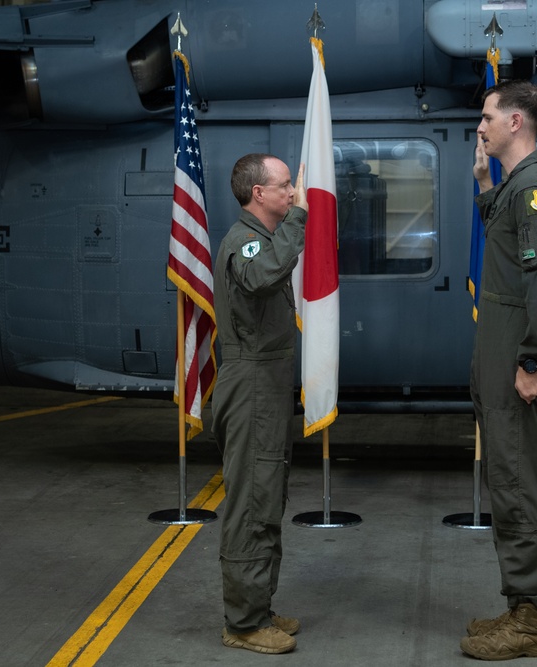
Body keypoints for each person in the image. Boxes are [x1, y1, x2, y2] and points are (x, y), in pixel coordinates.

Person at [462, 80, 537, 660]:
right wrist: (484, 184)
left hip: (518, 358)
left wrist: (532, 359)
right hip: (502, 350)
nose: (479, 127)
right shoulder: (513, 187)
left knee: (522, 482)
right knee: (507, 478)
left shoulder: (535, 188)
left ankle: (535, 619)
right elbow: (510, 249)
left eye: (486, 117)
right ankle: (521, 605)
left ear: (516, 124)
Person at [212, 154, 307, 655]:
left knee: (268, 496)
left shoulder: (266, 238)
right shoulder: (248, 243)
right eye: (285, 186)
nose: (292, 194)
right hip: (250, 384)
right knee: (251, 501)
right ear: (258, 195)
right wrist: (299, 222)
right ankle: (244, 623)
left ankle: (260, 607)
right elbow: (262, 277)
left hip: (267, 384)